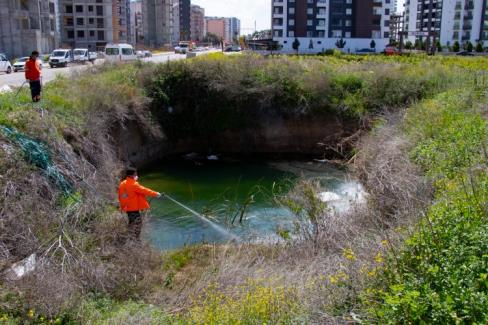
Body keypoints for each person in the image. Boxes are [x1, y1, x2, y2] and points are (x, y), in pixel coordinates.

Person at [118, 167, 162, 239]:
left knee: (132, 223)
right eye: (135, 174)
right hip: (133, 208)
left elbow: (121, 196)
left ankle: (129, 237)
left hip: (127, 207)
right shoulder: (133, 184)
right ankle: (135, 239)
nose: (136, 175)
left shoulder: (122, 183)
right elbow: (145, 190)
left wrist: (123, 205)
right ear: (131, 175)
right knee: (137, 224)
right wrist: (156, 194)